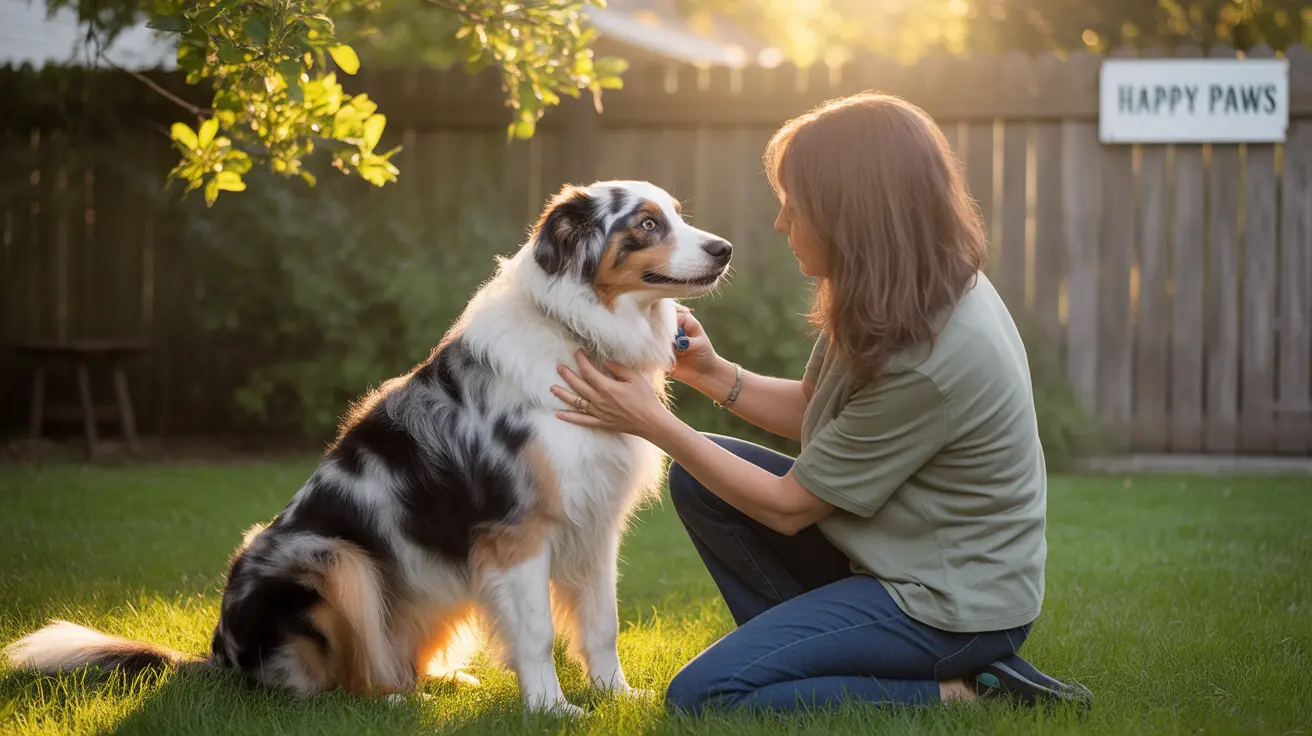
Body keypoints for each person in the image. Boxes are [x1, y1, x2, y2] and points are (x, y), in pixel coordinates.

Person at [549, 91, 1092, 715]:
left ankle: (959, 689)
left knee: (705, 697)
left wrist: (651, 420)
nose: (781, 224)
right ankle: (824, 655)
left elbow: (787, 509)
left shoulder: (935, 352)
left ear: (849, 214)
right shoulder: (898, 287)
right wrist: (711, 373)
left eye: (793, 206)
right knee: (705, 485)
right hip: (893, 554)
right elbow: (818, 410)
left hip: (949, 603)